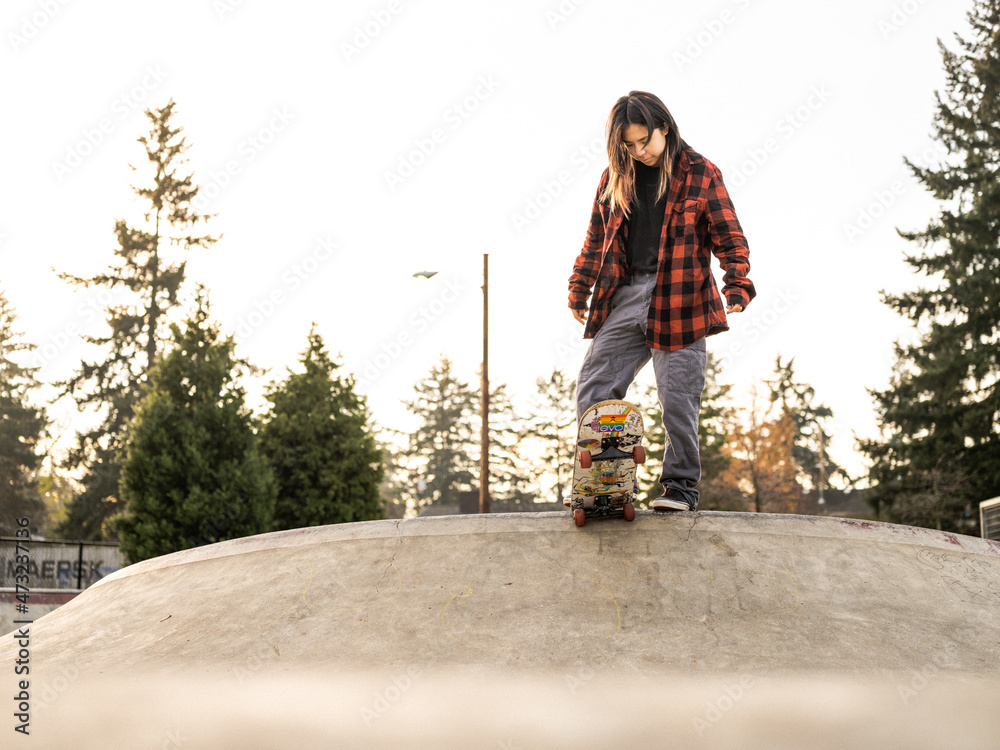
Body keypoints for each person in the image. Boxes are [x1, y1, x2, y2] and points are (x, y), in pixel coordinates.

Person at [568, 90, 756, 512]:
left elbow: (729, 235)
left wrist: (737, 284)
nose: (639, 152)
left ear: (664, 128)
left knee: (677, 398)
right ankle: (603, 479)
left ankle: (680, 487)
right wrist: (579, 287)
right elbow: (596, 239)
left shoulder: (702, 173)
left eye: (643, 141)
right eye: (628, 146)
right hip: (626, 294)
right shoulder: (615, 177)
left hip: (681, 298)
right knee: (595, 385)